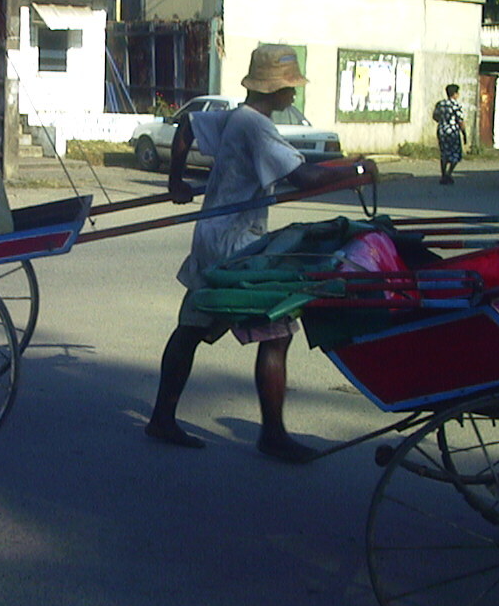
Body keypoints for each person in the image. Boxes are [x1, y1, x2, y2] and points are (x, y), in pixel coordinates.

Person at [145, 44, 353, 465]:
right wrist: (359, 170)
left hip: (212, 237)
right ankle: (272, 436)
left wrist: (176, 182)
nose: (294, 95)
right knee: (277, 331)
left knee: (191, 329)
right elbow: (305, 176)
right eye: (290, 88)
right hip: (236, 244)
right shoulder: (256, 126)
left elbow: (185, 128)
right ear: (275, 90)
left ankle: (162, 417)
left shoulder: (234, 117)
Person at [432, 84, 467, 185]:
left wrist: (443, 122)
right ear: (455, 94)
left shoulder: (440, 104)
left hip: (442, 130)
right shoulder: (456, 105)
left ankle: (443, 175)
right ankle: (449, 173)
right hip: (453, 132)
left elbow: (435, 116)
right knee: (456, 153)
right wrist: (464, 134)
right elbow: (460, 121)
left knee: (444, 152)